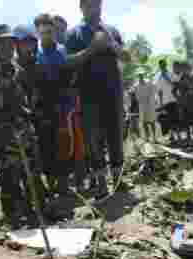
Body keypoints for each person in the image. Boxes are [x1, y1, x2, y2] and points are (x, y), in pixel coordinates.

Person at [0, 25, 44, 225]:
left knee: (31, 172)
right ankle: (13, 216)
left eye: (11, 43)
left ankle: (35, 211)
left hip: (24, 131)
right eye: (3, 43)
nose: (9, 47)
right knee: (9, 177)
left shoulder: (18, 71)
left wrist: (27, 117)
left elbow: (26, 100)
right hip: (3, 134)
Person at [65, 0, 131, 198]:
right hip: (89, 96)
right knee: (94, 140)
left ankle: (119, 180)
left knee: (116, 137)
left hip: (114, 93)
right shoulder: (74, 34)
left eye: (97, 4)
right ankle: (101, 184)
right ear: (82, 8)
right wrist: (92, 48)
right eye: (89, 5)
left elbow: (127, 56)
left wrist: (111, 44)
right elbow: (68, 61)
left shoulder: (111, 30)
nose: (94, 8)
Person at [34, 13, 73, 194]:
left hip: (62, 107)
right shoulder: (35, 54)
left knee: (63, 146)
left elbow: (69, 80)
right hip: (42, 109)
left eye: (49, 32)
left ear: (54, 31)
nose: (46, 36)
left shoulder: (63, 51)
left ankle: (64, 185)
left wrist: (67, 107)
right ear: (38, 33)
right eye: (42, 33)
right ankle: (51, 185)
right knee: (46, 148)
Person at [174, 61, 193, 145]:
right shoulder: (180, 78)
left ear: (190, 69)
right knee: (186, 121)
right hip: (184, 103)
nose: (185, 70)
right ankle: (188, 137)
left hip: (192, 101)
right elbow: (174, 91)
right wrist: (179, 98)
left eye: (187, 68)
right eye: (184, 68)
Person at [155, 59, 179, 144]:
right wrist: (160, 103)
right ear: (159, 66)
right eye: (161, 65)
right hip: (164, 100)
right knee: (167, 119)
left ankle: (176, 135)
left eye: (164, 64)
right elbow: (158, 90)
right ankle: (171, 135)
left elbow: (176, 84)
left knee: (174, 118)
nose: (163, 66)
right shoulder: (157, 76)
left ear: (166, 65)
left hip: (173, 99)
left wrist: (167, 78)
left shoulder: (171, 73)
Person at [134, 72, 158, 141]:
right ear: (138, 76)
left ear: (143, 76)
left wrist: (151, 99)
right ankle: (147, 137)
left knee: (152, 121)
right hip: (142, 105)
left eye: (141, 75)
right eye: (139, 75)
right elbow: (136, 96)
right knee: (144, 122)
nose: (140, 77)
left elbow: (154, 90)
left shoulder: (149, 83)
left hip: (150, 105)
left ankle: (154, 137)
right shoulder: (136, 86)